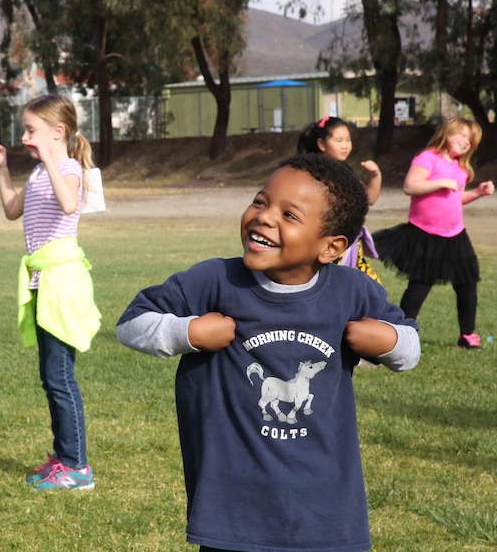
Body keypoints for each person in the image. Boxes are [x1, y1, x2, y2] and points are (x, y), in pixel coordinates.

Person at [117, 153, 420, 552]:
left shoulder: (351, 290)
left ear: (331, 247)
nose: (264, 217)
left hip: (328, 511)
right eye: (260, 202)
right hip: (232, 509)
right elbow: (131, 324)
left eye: (289, 215)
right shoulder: (215, 280)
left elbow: (410, 346)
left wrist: (387, 341)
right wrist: (188, 331)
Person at [0, 93, 101, 492]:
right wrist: (2, 169)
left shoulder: (68, 168)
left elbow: (69, 204)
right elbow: (11, 209)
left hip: (62, 283)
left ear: (59, 132)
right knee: (51, 377)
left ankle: (77, 467)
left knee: (60, 377)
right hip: (42, 282)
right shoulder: (39, 173)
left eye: (31, 130)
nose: (25, 136)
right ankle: (62, 457)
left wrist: (50, 158)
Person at [373, 116, 494, 349]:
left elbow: (456, 198)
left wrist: (477, 193)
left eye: (470, 139)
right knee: (420, 284)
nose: (465, 141)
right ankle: (403, 334)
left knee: (467, 282)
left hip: (455, 234)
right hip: (425, 232)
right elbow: (410, 186)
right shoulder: (428, 158)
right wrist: (441, 183)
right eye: (461, 135)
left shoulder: (460, 167)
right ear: (446, 133)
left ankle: (467, 335)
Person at [297, 116, 383, 282]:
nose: (345, 145)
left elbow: (368, 199)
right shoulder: (312, 172)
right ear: (321, 144)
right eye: (338, 140)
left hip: (348, 244)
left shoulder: (345, 171)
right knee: (330, 288)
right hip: (326, 244)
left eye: (348, 139)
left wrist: (375, 176)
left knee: (370, 290)